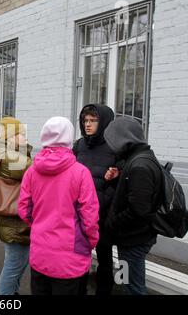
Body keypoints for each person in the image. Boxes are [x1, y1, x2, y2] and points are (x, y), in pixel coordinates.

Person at [18, 117, 99, 295]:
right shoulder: (81, 173)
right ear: (69, 137)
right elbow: (90, 218)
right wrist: (90, 242)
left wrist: (39, 226)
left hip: (40, 253)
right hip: (71, 257)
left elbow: (24, 209)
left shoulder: (32, 171)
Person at [103, 117, 162, 295]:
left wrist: (113, 223)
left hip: (133, 240)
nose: (110, 146)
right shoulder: (138, 160)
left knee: (132, 287)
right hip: (130, 238)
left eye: (112, 141)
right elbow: (134, 195)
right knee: (124, 280)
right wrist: (117, 181)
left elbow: (139, 209)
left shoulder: (139, 166)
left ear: (123, 139)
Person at [73, 104, 120, 295]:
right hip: (79, 213)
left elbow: (123, 182)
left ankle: (104, 290)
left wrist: (116, 175)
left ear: (104, 122)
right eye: (85, 120)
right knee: (79, 257)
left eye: (93, 120)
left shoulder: (115, 147)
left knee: (105, 259)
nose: (88, 124)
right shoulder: (79, 145)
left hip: (103, 214)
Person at [0, 117, 32, 295]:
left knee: (15, 262)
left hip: (10, 217)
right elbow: (37, 168)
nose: (25, 137)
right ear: (11, 136)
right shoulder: (12, 158)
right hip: (15, 221)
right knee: (14, 265)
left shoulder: (4, 152)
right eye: (21, 134)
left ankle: (12, 292)